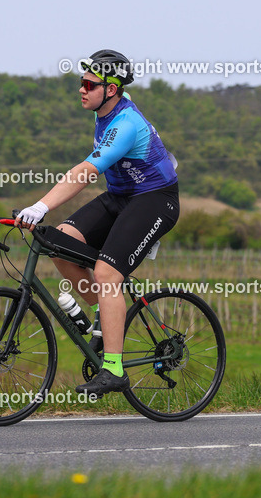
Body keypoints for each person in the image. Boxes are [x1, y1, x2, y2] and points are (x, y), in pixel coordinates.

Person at [16, 49, 179, 396]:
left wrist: (41, 205)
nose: (82, 89)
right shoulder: (106, 108)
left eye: (90, 84)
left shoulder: (125, 124)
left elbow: (85, 173)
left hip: (154, 200)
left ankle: (115, 369)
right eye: (81, 82)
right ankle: (103, 323)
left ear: (111, 89)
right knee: (59, 243)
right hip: (121, 196)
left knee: (107, 273)